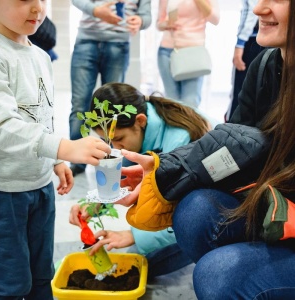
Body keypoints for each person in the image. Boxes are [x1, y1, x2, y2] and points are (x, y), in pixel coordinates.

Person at [113, 0, 295, 298]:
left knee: (216, 274)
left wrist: (133, 234)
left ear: (140, 122)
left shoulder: (177, 133)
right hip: (278, 210)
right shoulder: (265, 65)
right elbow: (240, 146)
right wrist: (163, 173)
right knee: (194, 210)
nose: (259, 9)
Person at [0, 1, 111, 299]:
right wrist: (64, 147)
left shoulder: (40, 56)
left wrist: (56, 157)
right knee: (11, 281)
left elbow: (42, 116)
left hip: (40, 185)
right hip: (4, 191)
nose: (37, 8)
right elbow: (1, 127)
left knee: (41, 273)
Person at [69, 82, 214, 278]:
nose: (116, 148)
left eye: (119, 139)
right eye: (108, 141)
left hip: (210, 211)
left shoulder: (179, 142)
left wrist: (132, 235)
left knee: (139, 262)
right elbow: (121, 178)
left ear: (140, 121)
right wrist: (95, 203)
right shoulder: (140, 128)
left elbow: (184, 210)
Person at [69, 0, 152, 177]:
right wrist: (96, 10)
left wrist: (140, 21)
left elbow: (146, 16)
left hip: (119, 44)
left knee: (114, 112)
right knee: (79, 105)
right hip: (86, 41)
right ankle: (77, 161)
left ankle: (110, 162)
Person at [156, 0, 220, 108]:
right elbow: (159, 24)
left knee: (190, 103)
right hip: (167, 51)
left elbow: (215, 19)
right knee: (171, 104)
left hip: (193, 52)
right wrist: (166, 24)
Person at [224, 0, 264, 121]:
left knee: (240, 93)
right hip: (265, 40)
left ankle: (230, 128)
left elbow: (252, 10)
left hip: (252, 41)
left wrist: (240, 44)